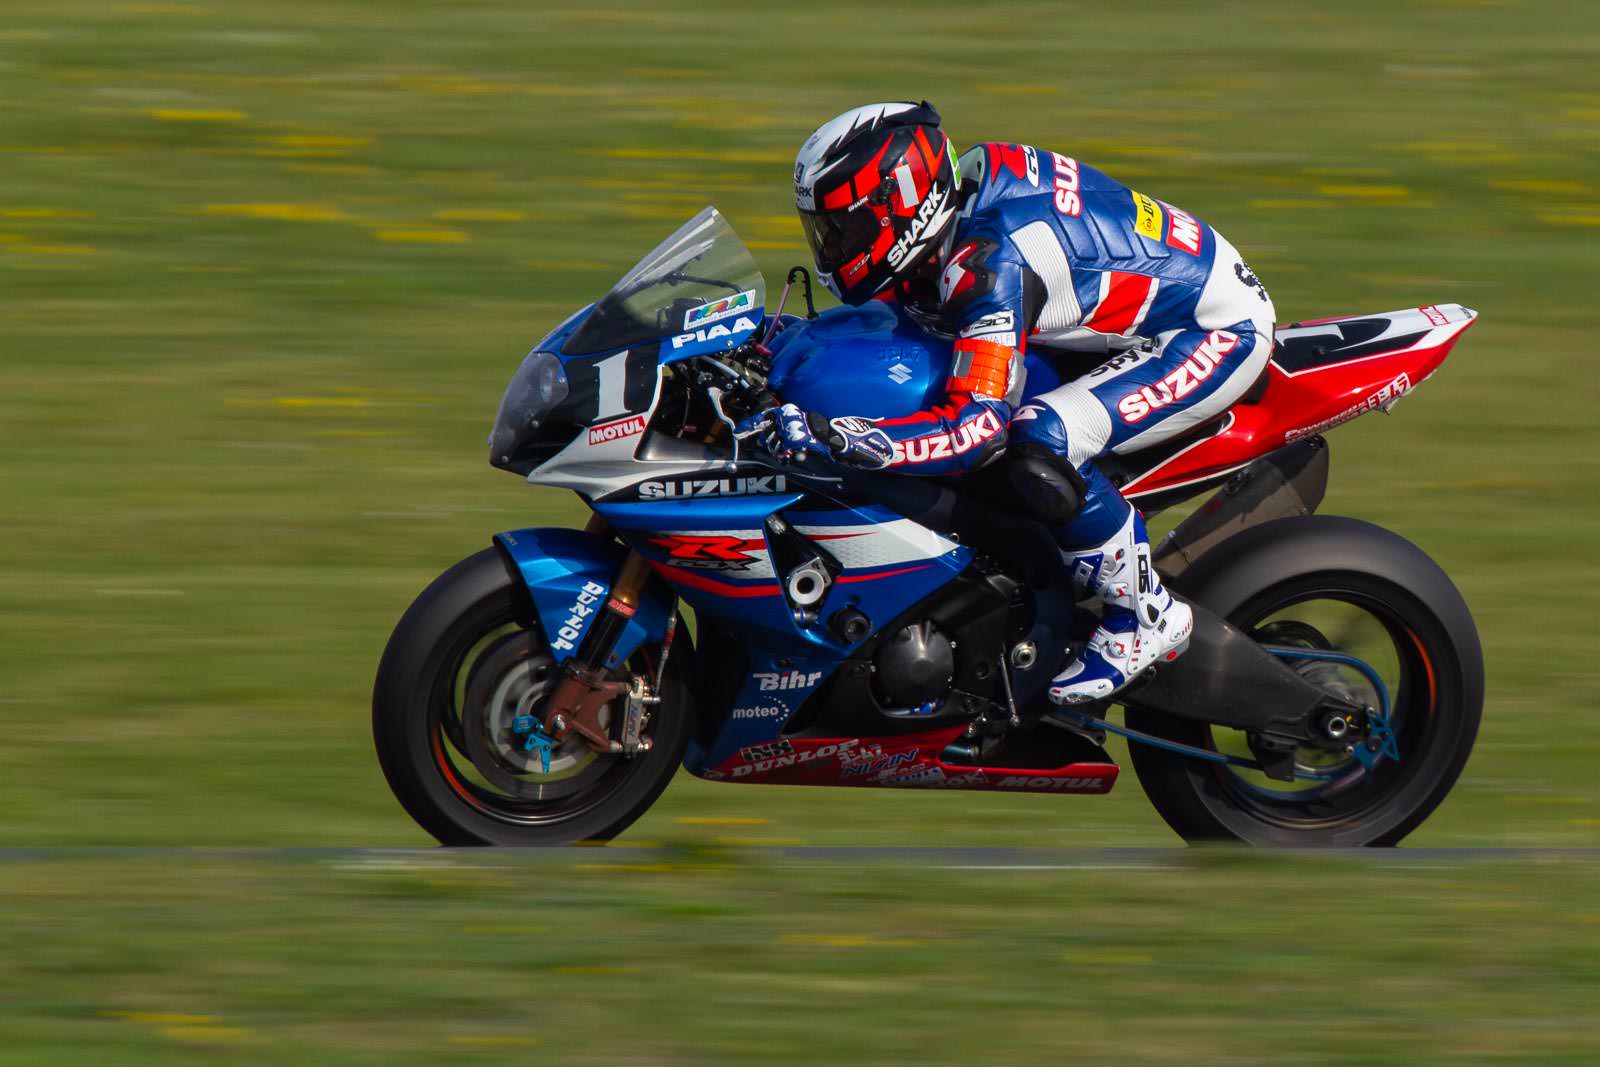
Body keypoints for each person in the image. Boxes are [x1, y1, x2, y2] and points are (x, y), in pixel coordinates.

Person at [748, 100, 1277, 705]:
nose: (832, 247)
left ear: (900, 206)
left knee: (1041, 440)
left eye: (845, 229)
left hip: (1211, 330)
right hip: (1137, 304)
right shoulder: (954, 208)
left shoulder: (989, 261)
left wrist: (855, 439)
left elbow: (977, 428)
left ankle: (1144, 615)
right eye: (824, 230)